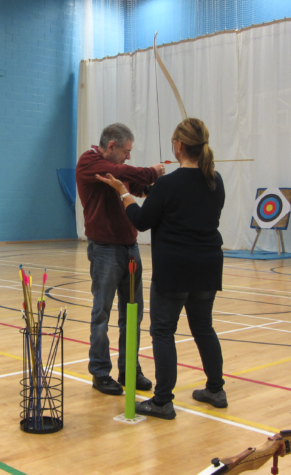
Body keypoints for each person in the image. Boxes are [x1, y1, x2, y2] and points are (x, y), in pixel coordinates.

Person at [96, 118, 226, 420]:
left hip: (176, 269)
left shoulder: (169, 184)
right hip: (208, 266)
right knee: (203, 327)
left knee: (163, 331)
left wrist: (123, 191)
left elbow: (141, 221)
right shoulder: (214, 179)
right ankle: (216, 390)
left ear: (179, 146)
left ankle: (162, 401)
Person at [75, 123, 166, 395]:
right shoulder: (90, 162)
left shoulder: (118, 169)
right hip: (104, 250)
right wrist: (151, 171)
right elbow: (121, 171)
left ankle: (129, 369)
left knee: (133, 315)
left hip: (130, 248)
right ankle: (100, 373)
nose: (128, 157)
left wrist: (159, 183)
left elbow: (138, 187)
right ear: (111, 146)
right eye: (126, 151)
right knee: (101, 314)